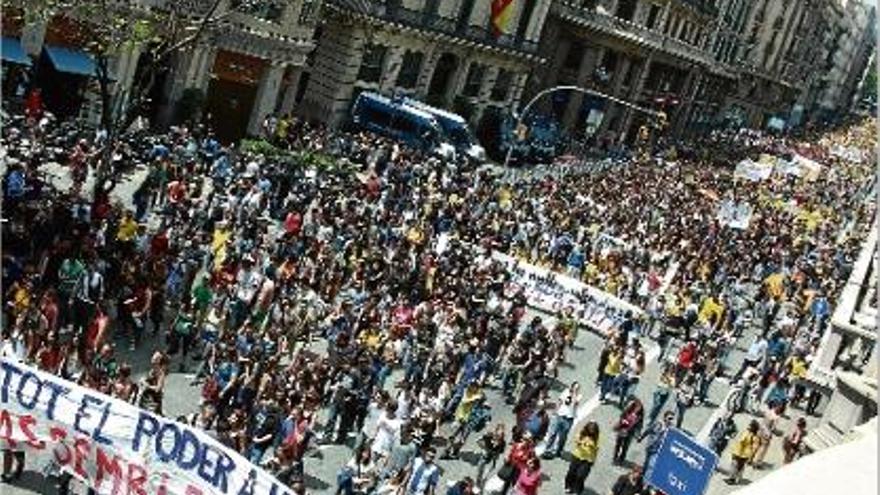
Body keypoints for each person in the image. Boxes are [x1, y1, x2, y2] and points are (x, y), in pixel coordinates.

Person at [542, 381, 581, 459]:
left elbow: (575, 404)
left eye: (577, 388)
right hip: (560, 415)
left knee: (563, 437)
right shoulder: (566, 392)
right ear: (572, 387)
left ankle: (559, 451)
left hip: (569, 418)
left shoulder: (578, 396)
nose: (576, 389)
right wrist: (555, 411)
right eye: (575, 387)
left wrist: (574, 395)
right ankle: (548, 450)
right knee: (553, 433)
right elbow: (560, 402)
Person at [564, 421, 599, 494]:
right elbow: (576, 439)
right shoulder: (582, 433)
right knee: (571, 472)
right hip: (577, 456)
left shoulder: (596, 438)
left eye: (593, 429)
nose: (591, 430)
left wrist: (592, 448)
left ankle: (578, 489)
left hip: (588, 459)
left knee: (581, 476)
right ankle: (568, 486)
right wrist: (580, 442)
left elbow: (596, 449)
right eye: (590, 429)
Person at [726, 420, 760, 485]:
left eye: (750, 425)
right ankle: (732, 478)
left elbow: (754, 448)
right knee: (734, 464)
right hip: (737, 451)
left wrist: (751, 457)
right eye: (749, 425)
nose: (749, 426)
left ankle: (734, 478)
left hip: (744, 454)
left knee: (739, 466)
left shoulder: (755, 437)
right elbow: (739, 440)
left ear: (754, 427)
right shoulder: (746, 431)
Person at [613, 397, 644, 465]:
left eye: (639, 407)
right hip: (622, 429)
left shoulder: (640, 416)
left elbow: (640, 425)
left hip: (630, 432)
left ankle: (621, 459)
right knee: (618, 445)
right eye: (637, 406)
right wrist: (623, 421)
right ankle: (615, 458)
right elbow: (621, 416)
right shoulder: (628, 410)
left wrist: (638, 434)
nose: (638, 409)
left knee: (625, 447)